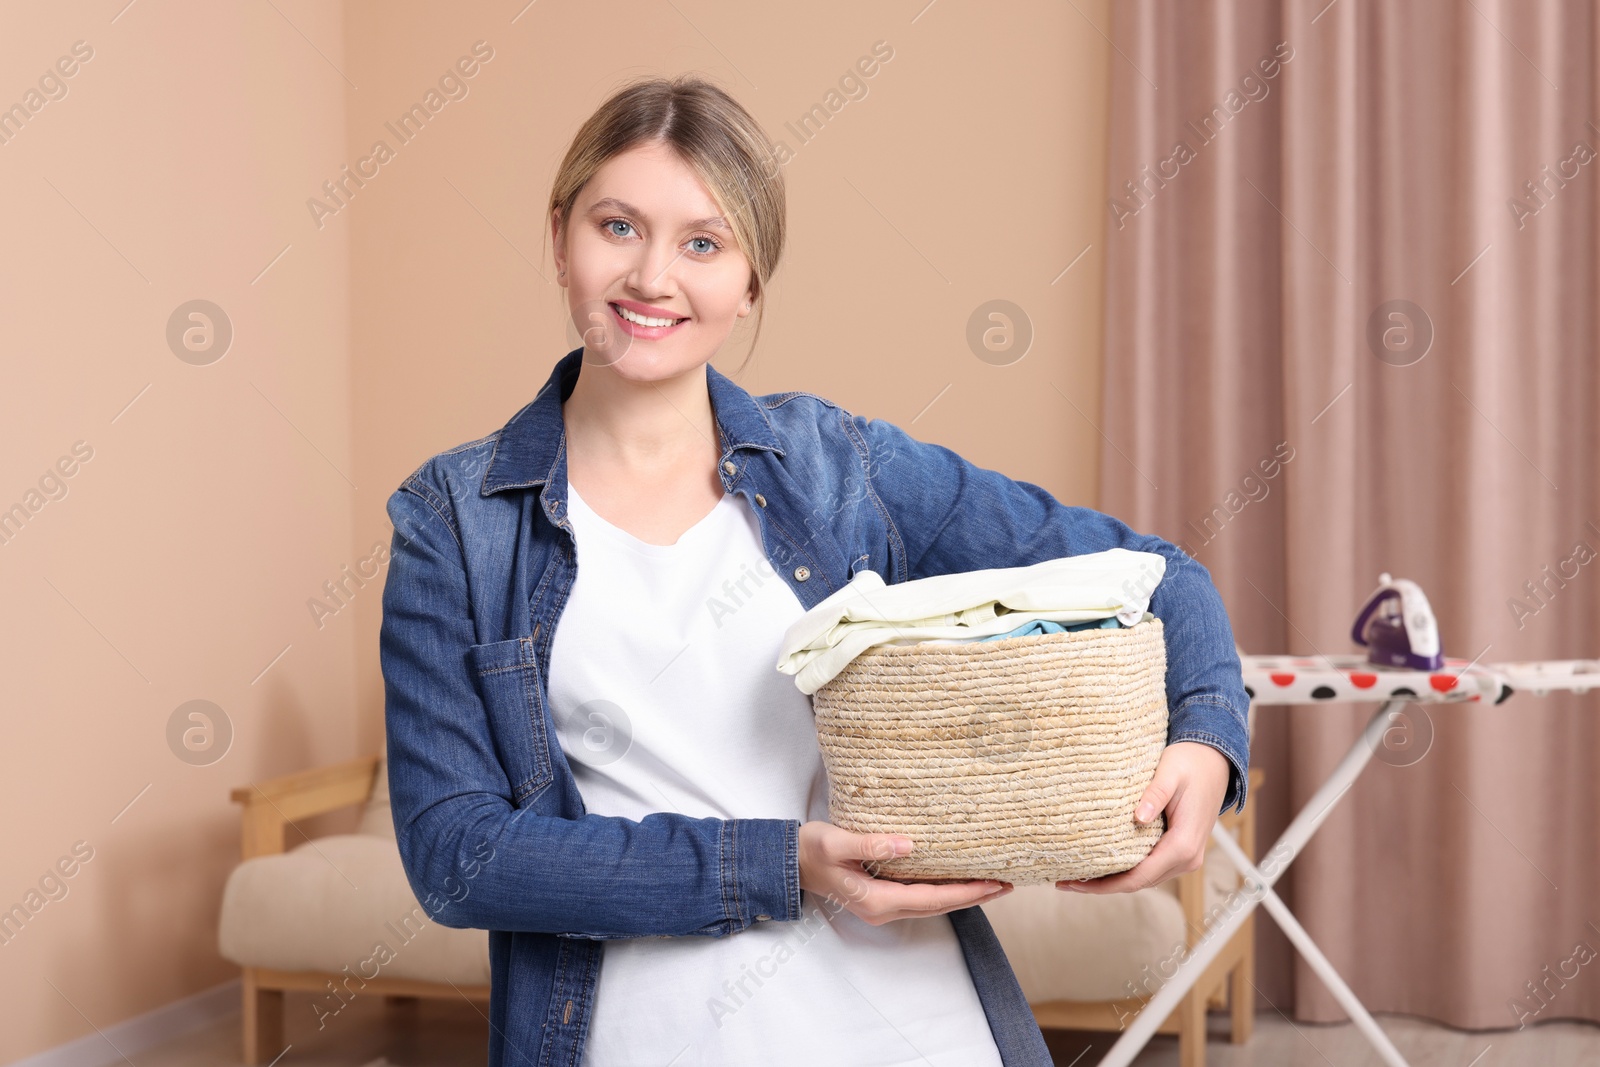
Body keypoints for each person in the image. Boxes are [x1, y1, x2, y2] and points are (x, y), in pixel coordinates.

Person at [379, 73, 1250, 1067]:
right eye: (617, 226)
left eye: (703, 243)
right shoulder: (452, 518)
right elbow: (459, 856)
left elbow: (1156, 573)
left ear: (750, 279)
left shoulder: (843, 465)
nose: (652, 277)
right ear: (558, 236)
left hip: (915, 1020)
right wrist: (780, 866)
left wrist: (1207, 735)